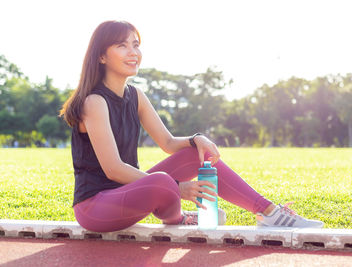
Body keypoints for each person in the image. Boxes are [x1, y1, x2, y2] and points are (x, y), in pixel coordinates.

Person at [59, 20, 323, 233]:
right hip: (96, 207)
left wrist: (196, 139)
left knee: (195, 154)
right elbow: (113, 169)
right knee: (163, 182)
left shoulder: (136, 96)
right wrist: (177, 187)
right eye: (122, 45)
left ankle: (268, 212)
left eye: (136, 45)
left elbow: (168, 143)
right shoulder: (94, 101)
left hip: (131, 195)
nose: (133, 52)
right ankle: (181, 217)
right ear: (102, 56)